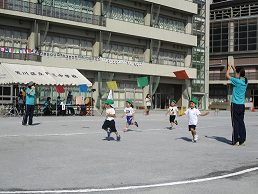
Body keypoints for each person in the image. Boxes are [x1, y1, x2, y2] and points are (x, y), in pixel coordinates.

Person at [226, 62, 248, 146]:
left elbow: (227, 75)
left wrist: (229, 68)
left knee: (235, 123)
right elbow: (238, 73)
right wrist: (233, 67)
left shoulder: (237, 81)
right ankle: (242, 140)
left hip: (235, 104)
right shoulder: (246, 81)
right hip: (242, 105)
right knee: (241, 122)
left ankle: (236, 141)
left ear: (239, 74)